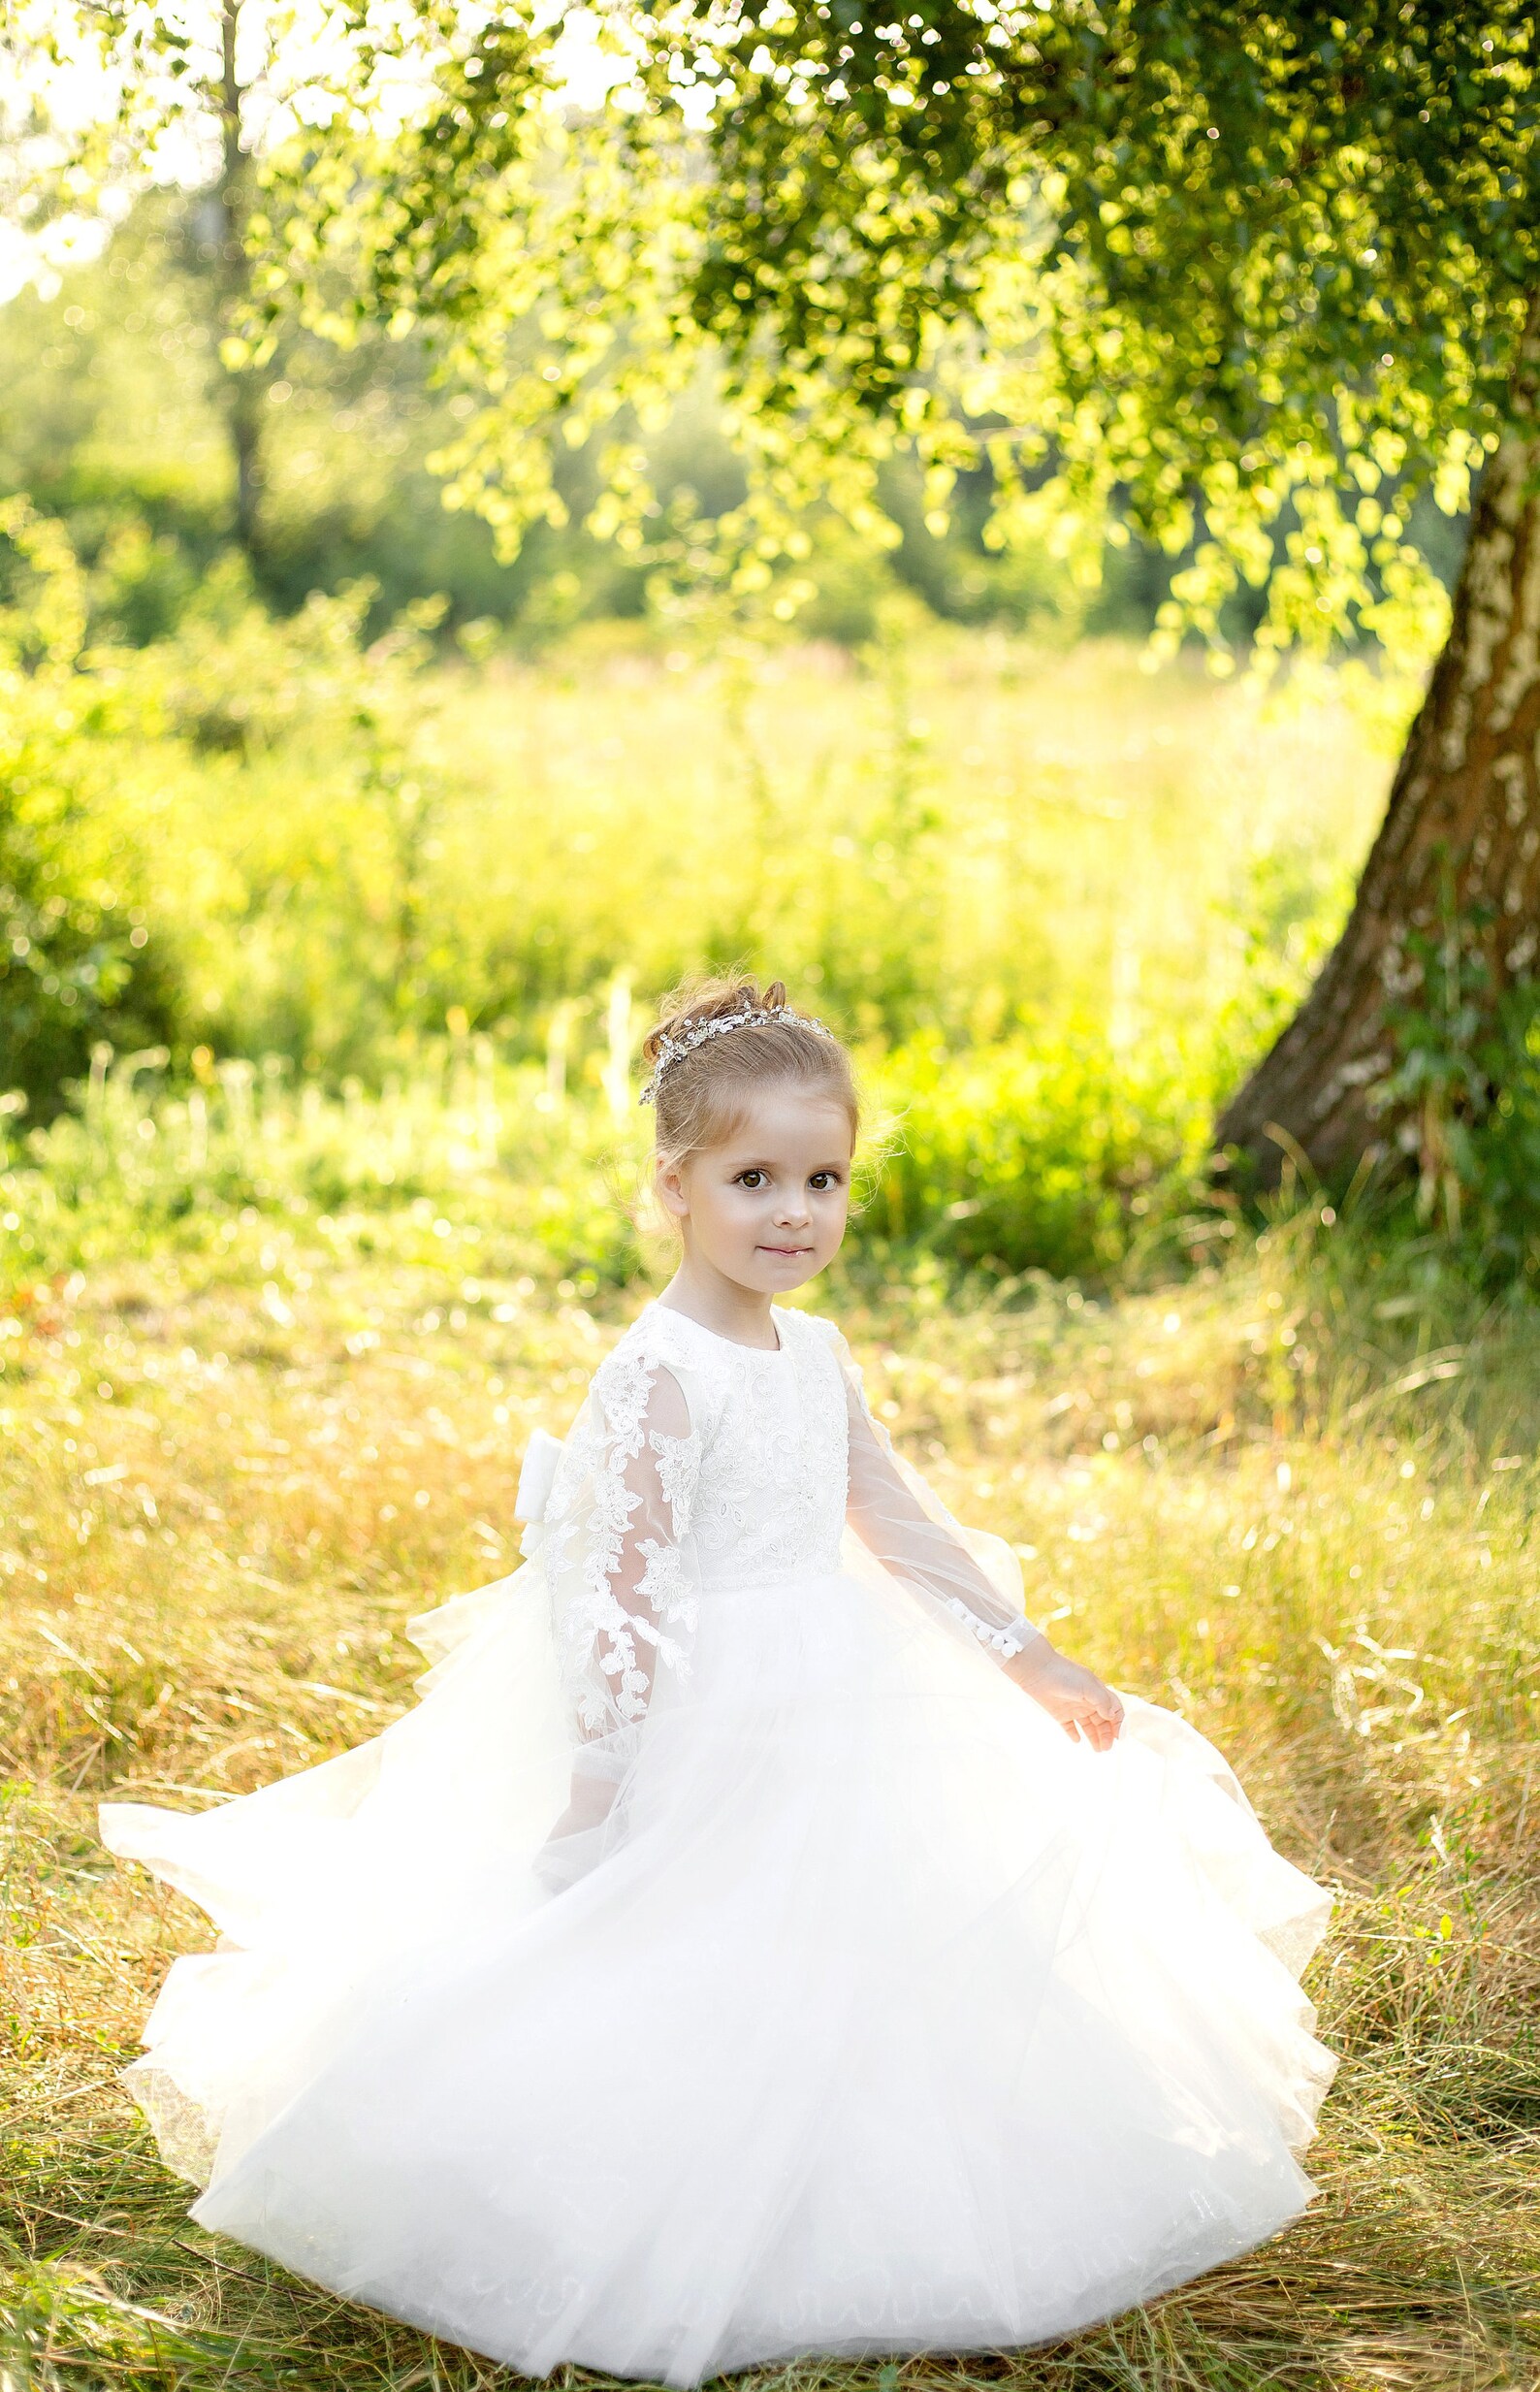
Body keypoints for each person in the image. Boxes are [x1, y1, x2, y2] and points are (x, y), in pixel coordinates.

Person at [102, 974, 1335, 2387]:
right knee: (682, 1945)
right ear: (674, 1185)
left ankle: (882, 2179)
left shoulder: (812, 1349)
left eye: (824, 1177)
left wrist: (1025, 1654)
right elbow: (617, 1595)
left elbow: (895, 1511)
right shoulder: (660, 1372)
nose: (796, 1210)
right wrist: (605, 1779)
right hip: (705, 1708)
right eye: (756, 1177)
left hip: (850, 1688)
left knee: (887, 1941)